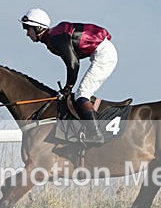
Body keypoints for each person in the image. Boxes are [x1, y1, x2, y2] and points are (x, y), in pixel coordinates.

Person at [20, 8, 118, 144]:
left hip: (104, 54)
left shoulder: (55, 38)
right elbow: (73, 62)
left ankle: (96, 134)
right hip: (100, 52)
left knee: (82, 95)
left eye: (28, 29)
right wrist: (68, 87)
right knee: (80, 94)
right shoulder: (52, 37)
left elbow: (73, 64)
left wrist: (68, 87)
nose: (27, 34)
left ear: (37, 28)